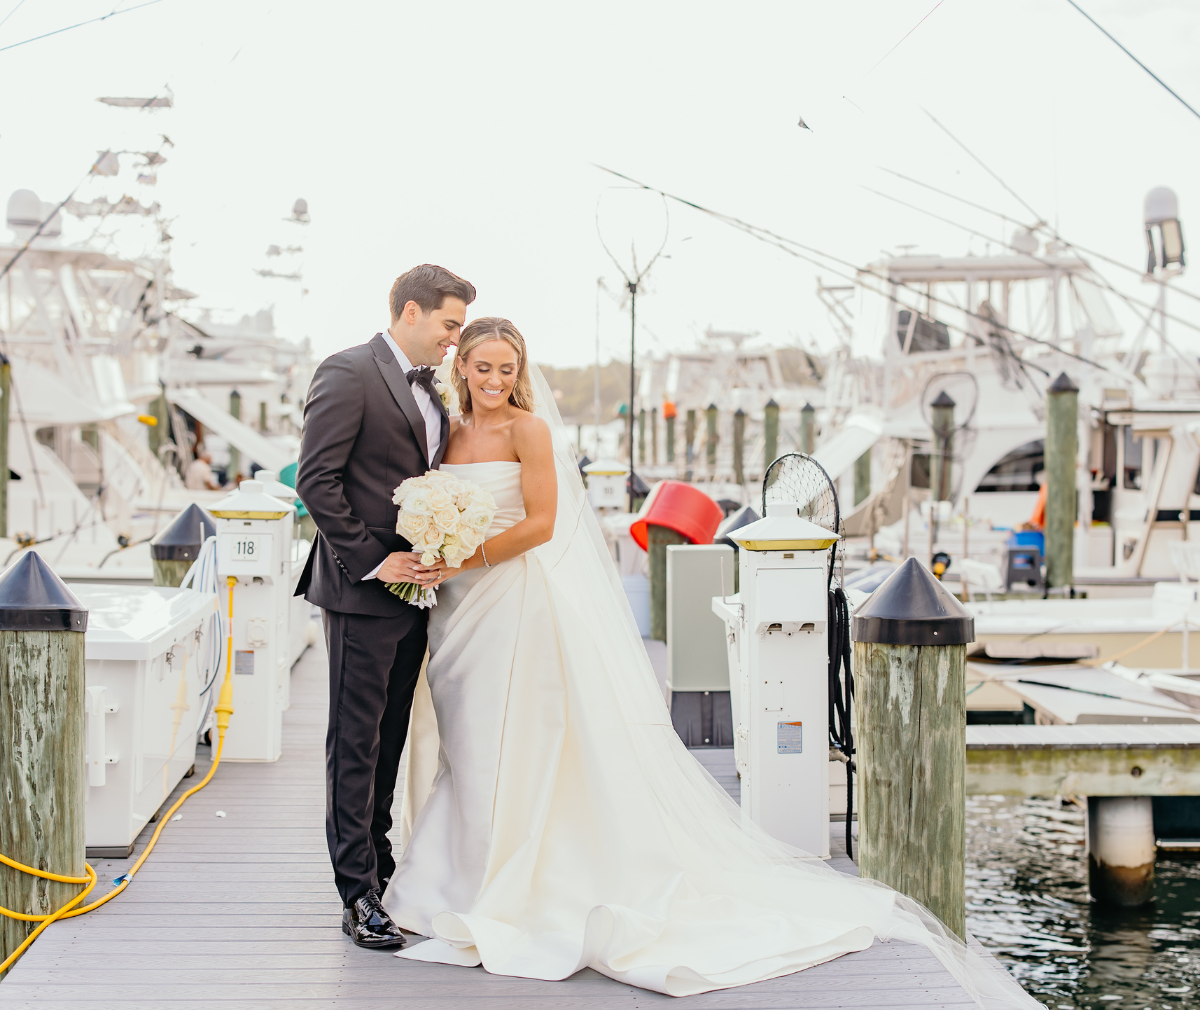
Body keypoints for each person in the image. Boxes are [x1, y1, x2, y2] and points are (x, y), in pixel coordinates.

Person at [380, 318, 1039, 1007]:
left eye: (506, 369)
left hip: (510, 599)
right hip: (454, 604)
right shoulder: (445, 432)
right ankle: (452, 878)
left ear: (520, 372)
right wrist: (437, 549)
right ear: (464, 370)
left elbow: (543, 522)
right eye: (482, 368)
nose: (493, 381)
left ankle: (503, 883)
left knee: (505, 740)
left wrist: (467, 553)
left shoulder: (529, 431)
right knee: (463, 739)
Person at [295, 263, 475, 950]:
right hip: (360, 590)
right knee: (354, 742)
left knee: (390, 738)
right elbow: (317, 478)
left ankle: (382, 867)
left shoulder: (435, 390)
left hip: (416, 593)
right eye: (448, 325)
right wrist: (375, 559)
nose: (454, 340)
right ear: (410, 313)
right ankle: (356, 893)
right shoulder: (348, 372)